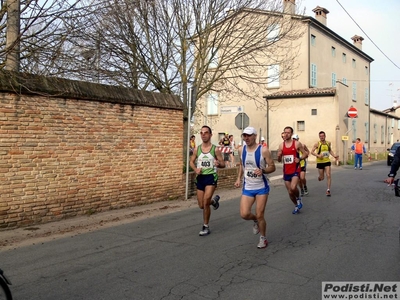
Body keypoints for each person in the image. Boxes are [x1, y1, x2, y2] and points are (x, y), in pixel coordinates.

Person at [234, 127, 276, 249]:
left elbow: (272, 167)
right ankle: (256, 221)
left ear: (255, 136)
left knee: (260, 214)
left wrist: (263, 170)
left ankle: (263, 238)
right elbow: (242, 165)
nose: (246, 138)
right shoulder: (242, 150)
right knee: (244, 214)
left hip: (261, 187)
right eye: (244, 136)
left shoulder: (263, 150)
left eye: (248, 135)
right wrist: (238, 178)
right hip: (248, 186)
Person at [189, 125, 225, 236]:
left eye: (206, 132)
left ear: (210, 135)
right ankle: (214, 202)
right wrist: (195, 169)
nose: (203, 134)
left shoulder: (215, 149)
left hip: (211, 177)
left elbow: (223, 164)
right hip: (200, 177)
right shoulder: (197, 149)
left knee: (205, 202)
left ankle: (205, 226)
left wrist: (219, 164)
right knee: (201, 205)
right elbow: (191, 162)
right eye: (202, 133)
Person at [277, 126, 309, 214]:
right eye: (285, 132)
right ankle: (296, 205)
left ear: (291, 134)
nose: (286, 134)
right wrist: (279, 156)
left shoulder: (297, 144)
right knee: (290, 192)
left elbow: (305, 154)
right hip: (286, 171)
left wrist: (300, 159)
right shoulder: (281, 145)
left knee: (293, 187)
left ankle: (298, 198)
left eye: (288, 132)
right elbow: (279, 160)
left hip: (295, 170)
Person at [310, 131, 339, 197]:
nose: (322, 137)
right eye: (320, 136)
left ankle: (328, 190)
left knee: (328, 175)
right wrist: (317, 155)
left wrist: (334, 156)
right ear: (319, 137)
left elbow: (330, 150)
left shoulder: (328, 143)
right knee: (322, 177)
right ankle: (320, 177)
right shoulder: (317, 144)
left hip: (327, 161)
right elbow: (312, 152)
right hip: (320, 162)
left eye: (323, 136)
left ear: (325, 136)